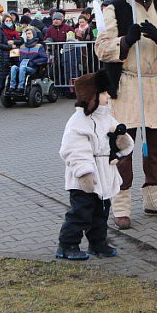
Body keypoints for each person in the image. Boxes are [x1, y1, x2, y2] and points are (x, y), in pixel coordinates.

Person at [95, 0, 157, 229]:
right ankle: (121, 202)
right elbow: (101, 48)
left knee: (155, 147)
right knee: (124, 149)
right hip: (127, 84)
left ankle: (154, 198)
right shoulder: (114, 8)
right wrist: (126, 41)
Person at [56, 70, 133, 260]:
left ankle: (98, 243)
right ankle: (67, 244)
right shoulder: (78, 122)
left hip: (104, 176)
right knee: (81, 214)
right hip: (86, 179)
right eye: (104, 93)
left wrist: (122, 141)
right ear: (92, 96)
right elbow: (74, 149)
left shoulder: (106, 117)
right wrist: (84, 173)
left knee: (101, 213)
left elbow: (117, 137)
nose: (109, 96)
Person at [9, 26, 48, 91]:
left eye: (29, 33)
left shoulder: (38, 46)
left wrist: (33, 62)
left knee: (22, 67)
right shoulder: (22, 46)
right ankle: (12, 86)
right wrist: (13, 56)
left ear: (34, 34)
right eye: (27, 34)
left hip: (32, 67)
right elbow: (17, 59)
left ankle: (21, 87)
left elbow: (44, 58)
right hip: (22, 66)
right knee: (13, 67)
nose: (28, 35)